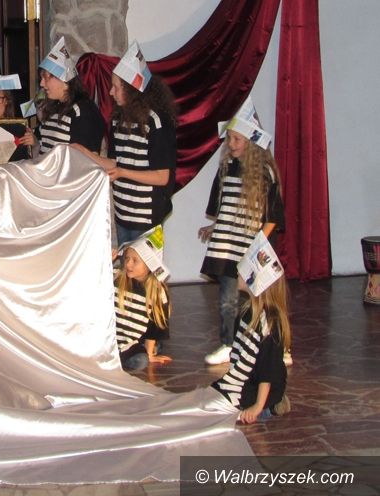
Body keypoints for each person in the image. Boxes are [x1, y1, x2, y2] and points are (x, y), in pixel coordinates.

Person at [198, 97, 285, 365]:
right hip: (228, 247)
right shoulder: (226, 169)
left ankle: (277, 346)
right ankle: (228, 344)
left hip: (251, 248)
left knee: (263, 301)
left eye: (237, 139)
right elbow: (226, 207)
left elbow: (272, 217)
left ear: (251, 141)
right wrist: (215, 227)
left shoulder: (265, 173)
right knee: (228, 300)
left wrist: (257, 246)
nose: (232, 144)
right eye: (230, 139)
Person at [72, 42, 178, 245]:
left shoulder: (157, 122)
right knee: (125, 266)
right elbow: (114, 163)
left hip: (147, 217)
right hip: (123, 214)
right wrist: (83, 151)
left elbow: (162, 176)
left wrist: (122, 173)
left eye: (116, 87)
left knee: (145, 266)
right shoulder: (117, 121)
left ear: (131, 90)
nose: (111, 92)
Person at [212, 232, 291, 423]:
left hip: (258, 388)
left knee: (215, 408)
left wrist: (257, 406)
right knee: (210, 397)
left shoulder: (269, 322)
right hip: (244, 381)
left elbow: (268, 369)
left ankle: (269, 405)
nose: (238, 272)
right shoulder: (247, 311)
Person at [22, 37, 104, 156]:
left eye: (46, 78)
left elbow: (86, 159)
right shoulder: (52, 107)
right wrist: (34, 140)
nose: (42, 84)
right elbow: (42, 145)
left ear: (64, 81)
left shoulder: (83, 111)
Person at [114, 226, 172, 369]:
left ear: (149, 265)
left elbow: (155, 326)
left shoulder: (157, 293)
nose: (128, 264)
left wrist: (149, 353)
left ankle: (128, 355)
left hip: (131, 342)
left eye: (135, 260)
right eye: (127, 258)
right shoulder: (115, 277)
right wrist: (105, 263)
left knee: (142, 360)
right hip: (110, 338)